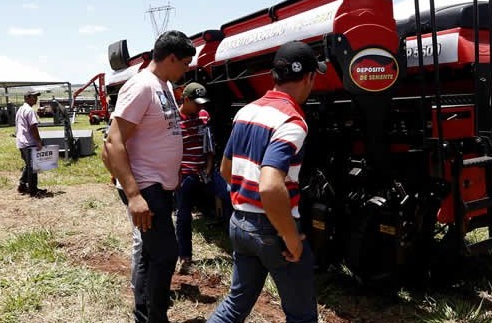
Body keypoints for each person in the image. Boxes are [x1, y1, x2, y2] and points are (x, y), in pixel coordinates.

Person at [208, 41, 326, 323]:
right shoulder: (292, 122)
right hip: (271, 230)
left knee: (235, 306)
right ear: (308, 77)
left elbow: (226, 169)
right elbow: (270, 185)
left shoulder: (246, 111)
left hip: (240, 224)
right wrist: (290, 237)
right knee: (302, 317)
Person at [103, 30, 196, 323]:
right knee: (167, 255)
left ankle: (144, 316)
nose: (186, 69)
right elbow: (113, 141)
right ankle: (155, 318)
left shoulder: (163, 86)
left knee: (148, 253)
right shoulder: (142, 86)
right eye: (184, 62)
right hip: (145, 186)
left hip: (160, 185)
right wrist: (133, 195)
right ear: (170, 58)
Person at [174, 82, 213, 274]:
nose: (200, 108)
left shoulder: (204, 116)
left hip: (204, 170)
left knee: (230, 194)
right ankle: (185, 257)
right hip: (186, 173)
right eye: (196, 103)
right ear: (186, 99)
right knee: (183, 215)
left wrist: (208, 166)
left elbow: (209, 143)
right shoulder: (174, 121)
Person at [15, 91, 47, 197]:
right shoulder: (30, 110)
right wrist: (38, 142)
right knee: (33, 167)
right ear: (28, 98)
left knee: (28, 166)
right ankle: (33, 191)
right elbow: (33, 127)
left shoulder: (20, 109)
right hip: (29, 142)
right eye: (34, 97)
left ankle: (22, 185)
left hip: (21, 142)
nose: (36, 99)